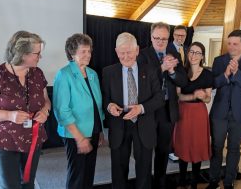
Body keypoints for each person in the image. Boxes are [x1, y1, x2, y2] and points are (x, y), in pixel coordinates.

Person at [0, 31, 51, 189]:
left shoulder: (37, 73)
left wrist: (45, 111)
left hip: (33, 138)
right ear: (23, 54)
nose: (40, 57)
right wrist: (10, 115)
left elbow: (46, 101)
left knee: (28, 183)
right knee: (12, 186)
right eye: (37, 53)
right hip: (5, 140)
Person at [102, 32, 164, 189]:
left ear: (137, 50)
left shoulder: (150, 70)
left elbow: (159, 98)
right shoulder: (108, 72)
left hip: (143, 125)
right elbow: (104, 98)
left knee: (144, 170)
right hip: (119, 125)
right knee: (118, 170)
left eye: (129, 52)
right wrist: (109, 106)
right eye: (121, 53)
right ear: (116, 51)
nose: (125, 56)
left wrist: (141, 108)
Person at [207, 29, 241, 189]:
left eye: (235, 44)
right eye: (229, 43)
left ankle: (229, 182)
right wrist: (225, 74)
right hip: (219, 113)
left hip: (240, 114)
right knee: (216, 147)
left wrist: (237, 72)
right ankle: (213, 180)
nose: (231, 47)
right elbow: (214, 83)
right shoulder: (218, 60)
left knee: (234, 148)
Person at [137, 22, 188, 189]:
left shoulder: (175, 54)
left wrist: (172, 71)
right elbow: (141, 82)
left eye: (164, 39)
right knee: (145, 153)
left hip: (167, 110)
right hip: (148, 111)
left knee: (163, 152)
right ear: (151, 37)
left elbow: (183, 81)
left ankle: (160, 184)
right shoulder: (142, 55)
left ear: (169, 38)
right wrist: (162, 68)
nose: (160, 42)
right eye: (157, 38)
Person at [53, 33, 105, 189]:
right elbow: (62, 110)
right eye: (83, 51)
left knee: (89, 173)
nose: (88, 55)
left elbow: (98, 104)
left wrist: (100, 130)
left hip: (93, 131)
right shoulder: (64, 74)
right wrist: (79, 137)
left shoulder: (92, 74)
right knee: (77, 175)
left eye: (89, 51)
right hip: (75, 133)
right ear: (72, 53)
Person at [173, 42, 213, 189]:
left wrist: (203, 96)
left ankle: (194, 183)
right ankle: (182, 182)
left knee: (197, 147)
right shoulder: (181, 71)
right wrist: (193, 96)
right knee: (184, 146)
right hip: (183, 112)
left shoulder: (208, 74)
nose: (194, 55)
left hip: (199, 114)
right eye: (191, 52)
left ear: (202, 56)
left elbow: (208, 98)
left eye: (198, 53)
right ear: (187, 53)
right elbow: (178, 96)